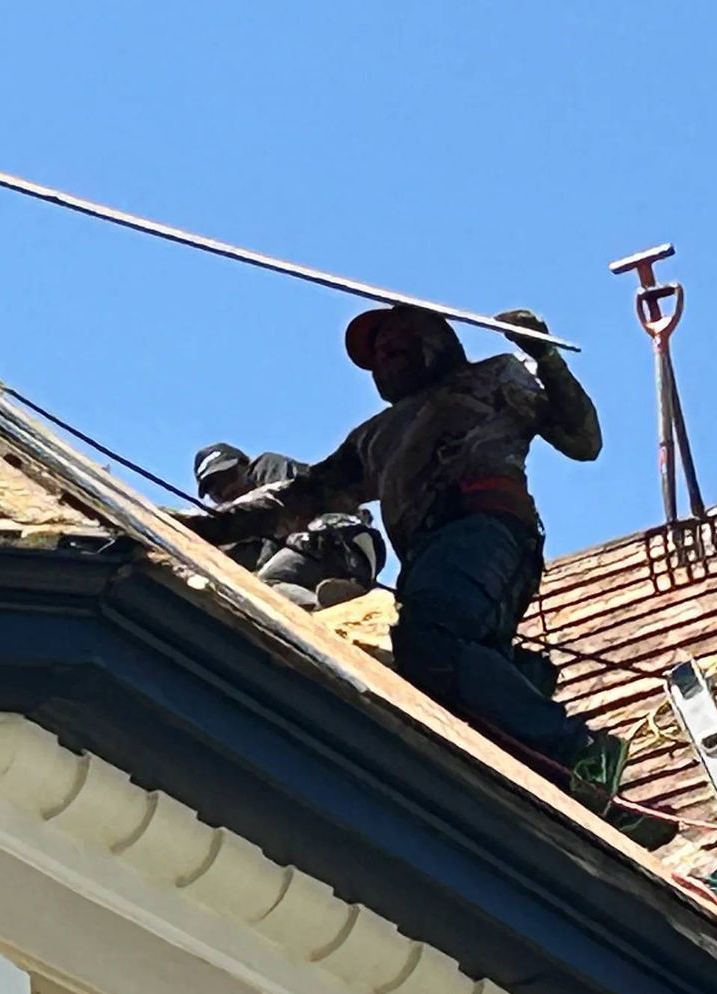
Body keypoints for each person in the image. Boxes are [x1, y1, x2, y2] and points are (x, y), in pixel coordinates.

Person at [182, 305, 674, 849]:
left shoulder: (492, 378)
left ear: (437, 343)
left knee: (429, 637)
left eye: (396, 347)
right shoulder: (373, 437)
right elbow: (296, 497)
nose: (384, 363)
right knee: (453, 677)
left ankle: (579, 752)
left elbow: (583, 441)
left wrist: (545, 357)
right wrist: (204, 528)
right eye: (377, 359)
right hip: (433, 555)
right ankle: (576, 792)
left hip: (483, 528)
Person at [192, 443, 387, 610]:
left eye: (229, 478)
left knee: (265, 584)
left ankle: (321, 612)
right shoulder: (240, 535)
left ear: (245, 464)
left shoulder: (266, 467)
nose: (225, 490)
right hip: (332, 561)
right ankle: (341, 595)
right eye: (215, 490)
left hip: (337, 539)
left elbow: (287, 510)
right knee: (266, 586)